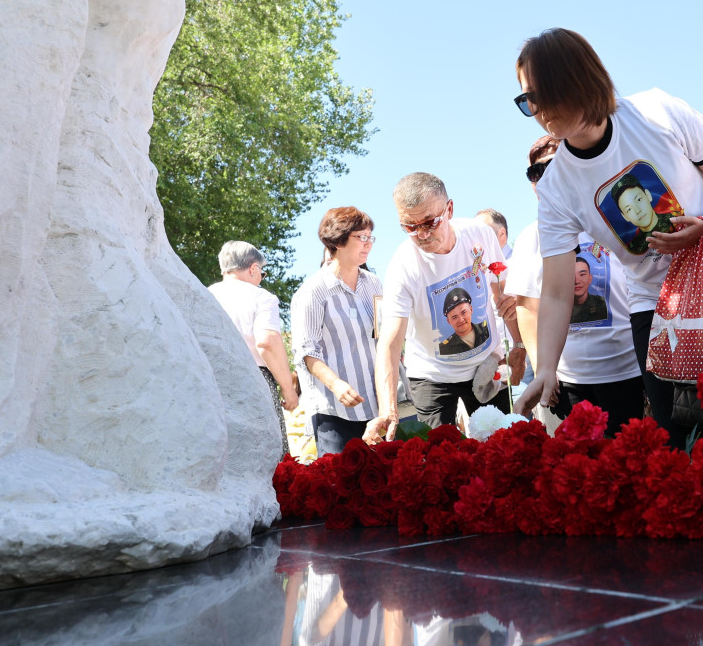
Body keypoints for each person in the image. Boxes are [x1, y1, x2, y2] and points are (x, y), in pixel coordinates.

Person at [511, 28, 703, 450]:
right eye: (527, 100)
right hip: (659, 309)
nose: (538, 110)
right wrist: (547, 368)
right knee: (682, 442)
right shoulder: (556, 188)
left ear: (579, 78)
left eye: (543, 93)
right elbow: (554, 291)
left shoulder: (656, 112)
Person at [364, 173, 526, 434]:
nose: (422, 234)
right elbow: (390, 344)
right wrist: (388, 411)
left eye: (430, 222)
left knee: (502, 444)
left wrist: (519, 347)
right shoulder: (402, 266)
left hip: (486, 365)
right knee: (441, 453)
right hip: (432, 377)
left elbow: (504, 296)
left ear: (449, 209)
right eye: (410, 227)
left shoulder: (480, 235)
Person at [507, 135, 646, 434]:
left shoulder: (617, 219)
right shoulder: (531, 236)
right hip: (567, 383)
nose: (545, 176)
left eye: (554, 165)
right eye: (536, 172)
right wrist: (543, 369)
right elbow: (528, 309)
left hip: (627, 373)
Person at [291, 206, 382, 455]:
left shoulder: (374, 284)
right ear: (338, 241)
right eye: (361, 237)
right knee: (338, 478)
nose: (368, 243)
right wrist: (337, 384)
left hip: (377, 408)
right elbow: (306, 351)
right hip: (334, 411)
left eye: (370, 237)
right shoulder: (312, 291)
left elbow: (383, 337)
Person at [207, 240, 298, 453]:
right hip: (254, 379)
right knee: (265, 453)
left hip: (211, 379)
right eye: (262, 273)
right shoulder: (261, 297)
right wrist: (288, 388)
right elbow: (267, 342)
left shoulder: (204, 295)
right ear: (253, 268)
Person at [439, 287, 492, 355]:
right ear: (449, 321)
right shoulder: (444, 349)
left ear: (471, 309)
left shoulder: (487, 329)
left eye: (463, 312)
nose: (461, 320)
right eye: (454, 317)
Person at [570, 257, 608, 323]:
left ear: (590, 279)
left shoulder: (603, 304)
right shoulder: (556, 307)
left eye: (582, 275)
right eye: (571, 275)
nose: (576, 281)